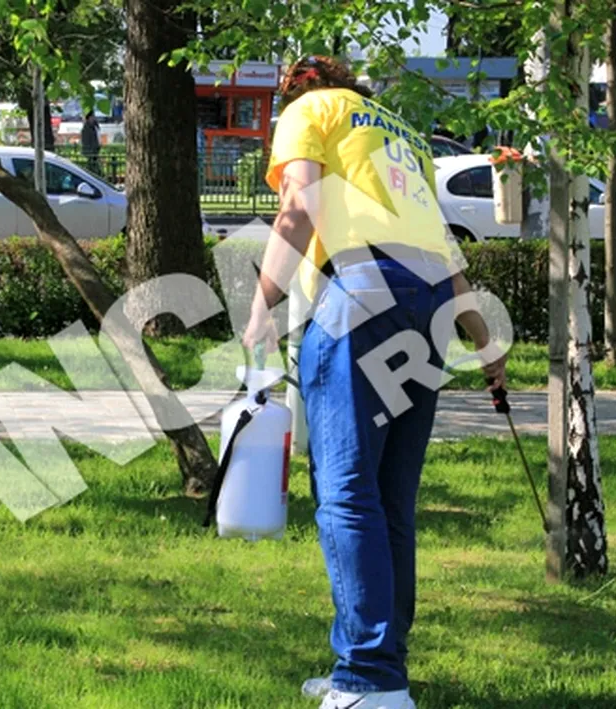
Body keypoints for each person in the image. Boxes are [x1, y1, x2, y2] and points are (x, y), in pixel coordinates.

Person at [242, 56, 507, 709]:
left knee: (347, 491)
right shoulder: (403, 135)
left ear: (297, 89)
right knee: (389, 499)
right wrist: (485, 340)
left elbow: (298, 208)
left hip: (358, 296)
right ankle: (377, 664)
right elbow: (444, 256)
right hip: (427, 310)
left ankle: (369, 679)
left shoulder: (310, 113)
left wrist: (260, 309)